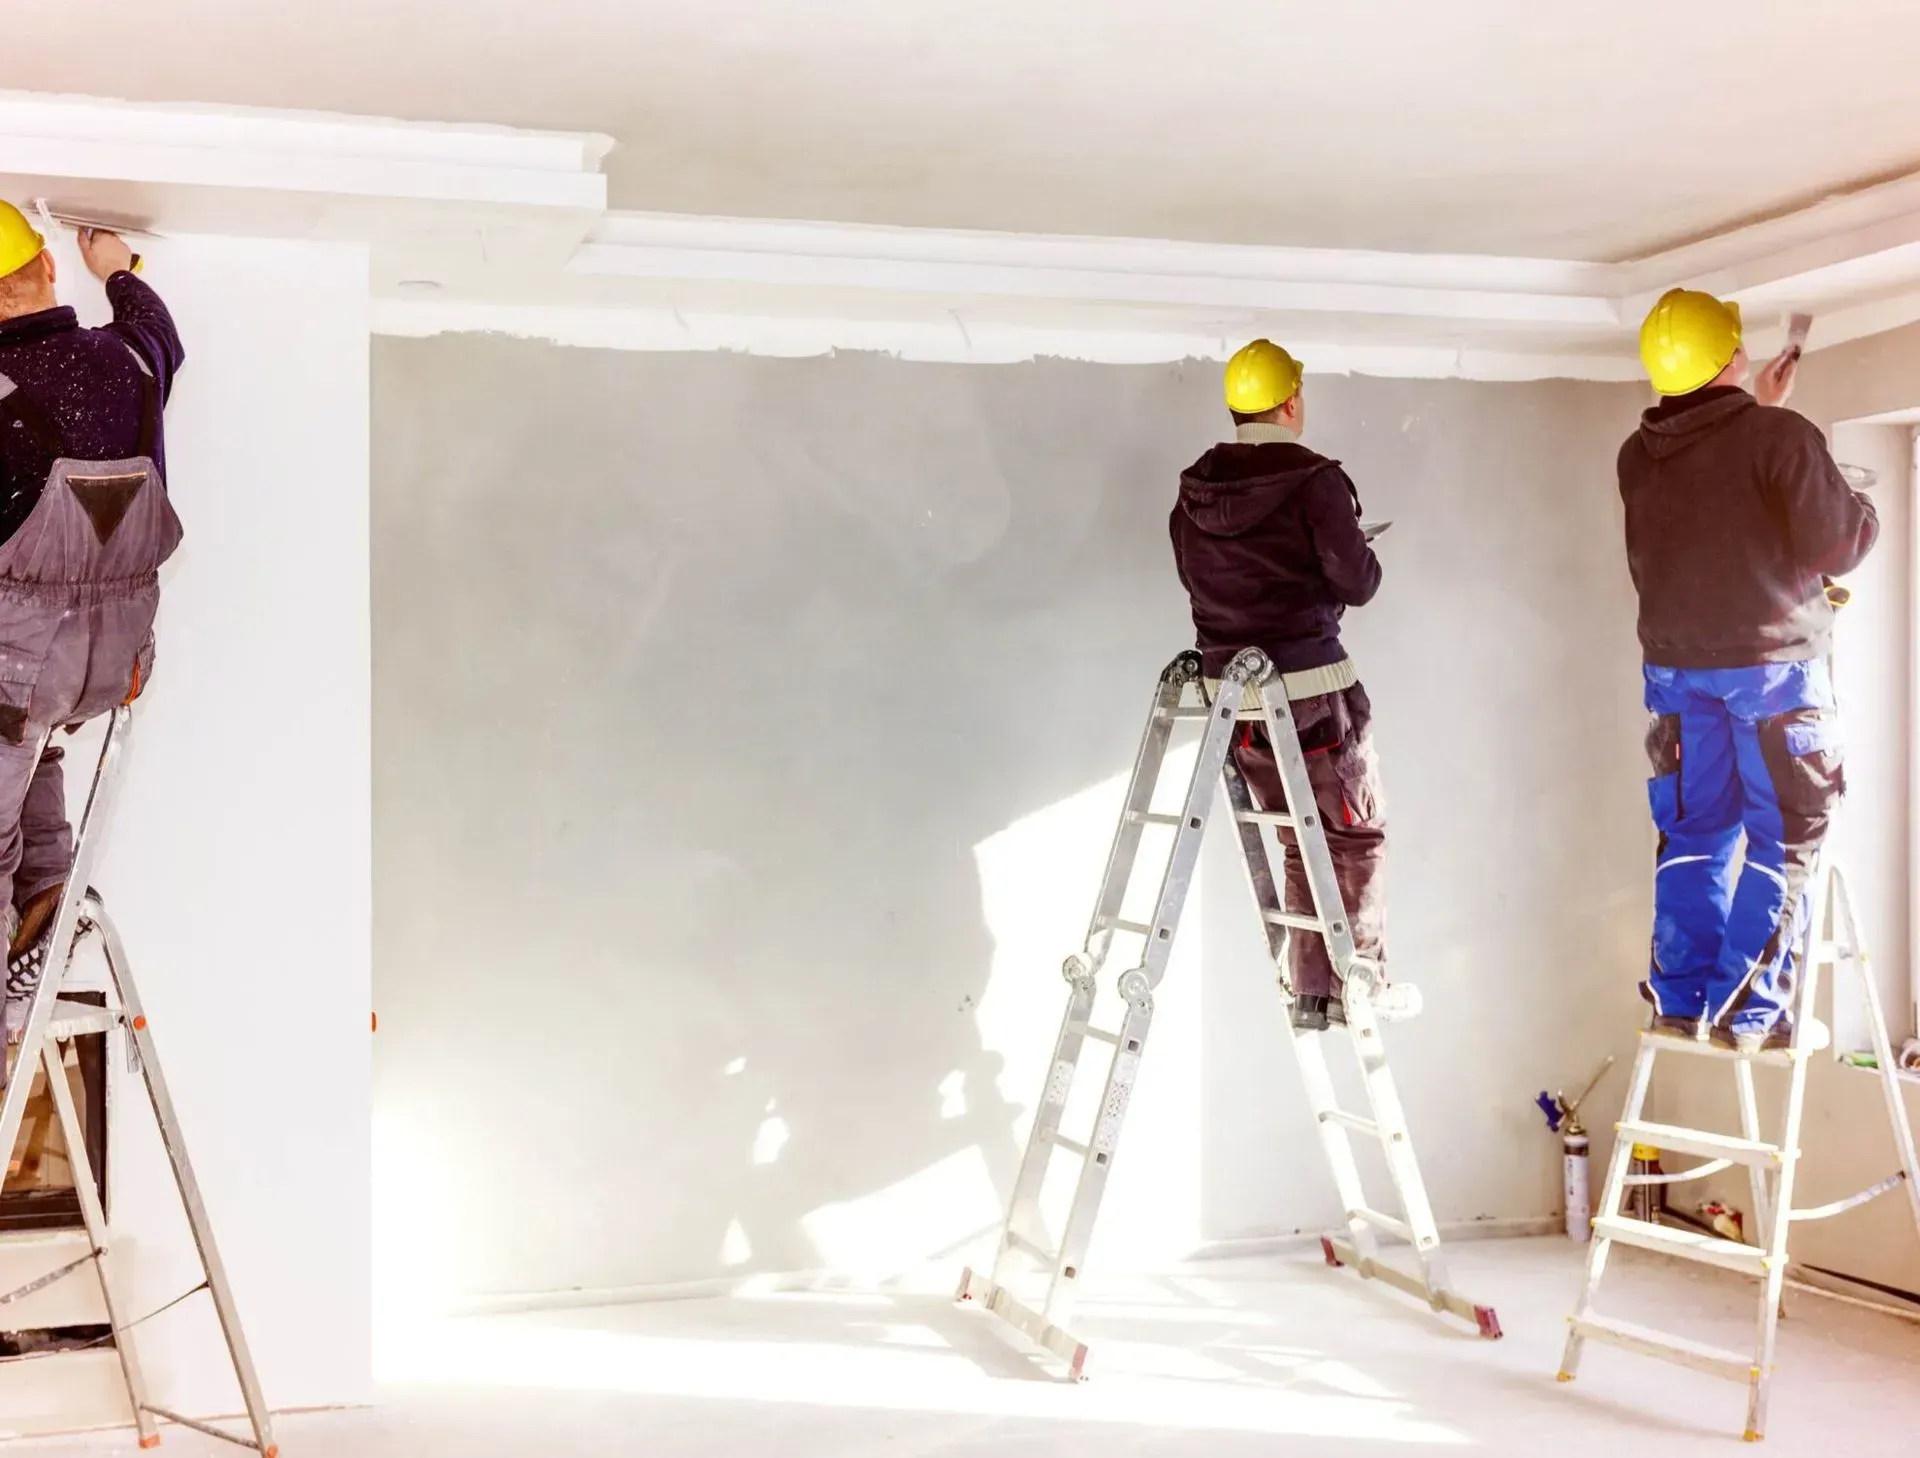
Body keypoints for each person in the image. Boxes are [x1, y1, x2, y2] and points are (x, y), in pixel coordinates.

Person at [1621, 289, 1876, 1054]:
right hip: (1772, 676)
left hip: (1677, 674)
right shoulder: (1781, 440)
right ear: (1733, 354)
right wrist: (1851, 491)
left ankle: (1681, 1000)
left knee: (1694, 837)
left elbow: (1718, 474)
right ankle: (1749, 1011)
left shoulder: (1638, 453)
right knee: (1785, 838)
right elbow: (1843, 546)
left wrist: (1754, 408)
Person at [0, 201, 184, 1039]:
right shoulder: (128, 363)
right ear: (44, 271)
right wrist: (117, 266)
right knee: (28, 739)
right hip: (108, 667)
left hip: (20, 668)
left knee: (17, 731)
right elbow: (159, 333)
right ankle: (45, 895)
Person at [1169, 339, 1389, 1031]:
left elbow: (1196, 575)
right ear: (1292, 401)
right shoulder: (1315, 481)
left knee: (1299, 838)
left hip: (1236, 703)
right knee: (1353, 836)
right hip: (1314, 696)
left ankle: (1315, 989)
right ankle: (1359, 985)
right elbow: (1361, 583)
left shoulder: (1195, 490)